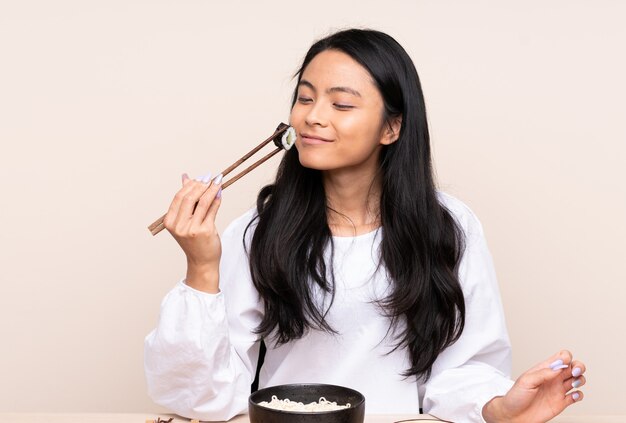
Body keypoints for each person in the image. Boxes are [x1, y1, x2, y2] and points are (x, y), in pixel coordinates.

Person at [144, 28, 586, 422]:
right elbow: (203, 398)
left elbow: (463, 371)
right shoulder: (258, 231)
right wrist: (201, 268)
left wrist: (498, 408)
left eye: (341, 104)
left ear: (391, 128)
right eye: (304, 97)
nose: (312, 116)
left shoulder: (448, 227)